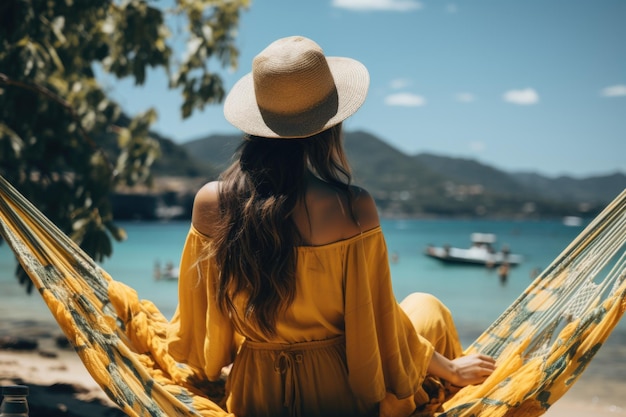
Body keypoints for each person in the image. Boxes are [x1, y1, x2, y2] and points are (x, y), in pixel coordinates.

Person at [166, 36, 496, 417]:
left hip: (254, 397)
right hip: (342, 397)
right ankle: (453, 390)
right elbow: (378, 321)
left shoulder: (211, 202)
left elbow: (200, 326)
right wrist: (451, 368)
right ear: (328, 127)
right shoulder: (351, 207)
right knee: (427, 307)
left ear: (255, 123)